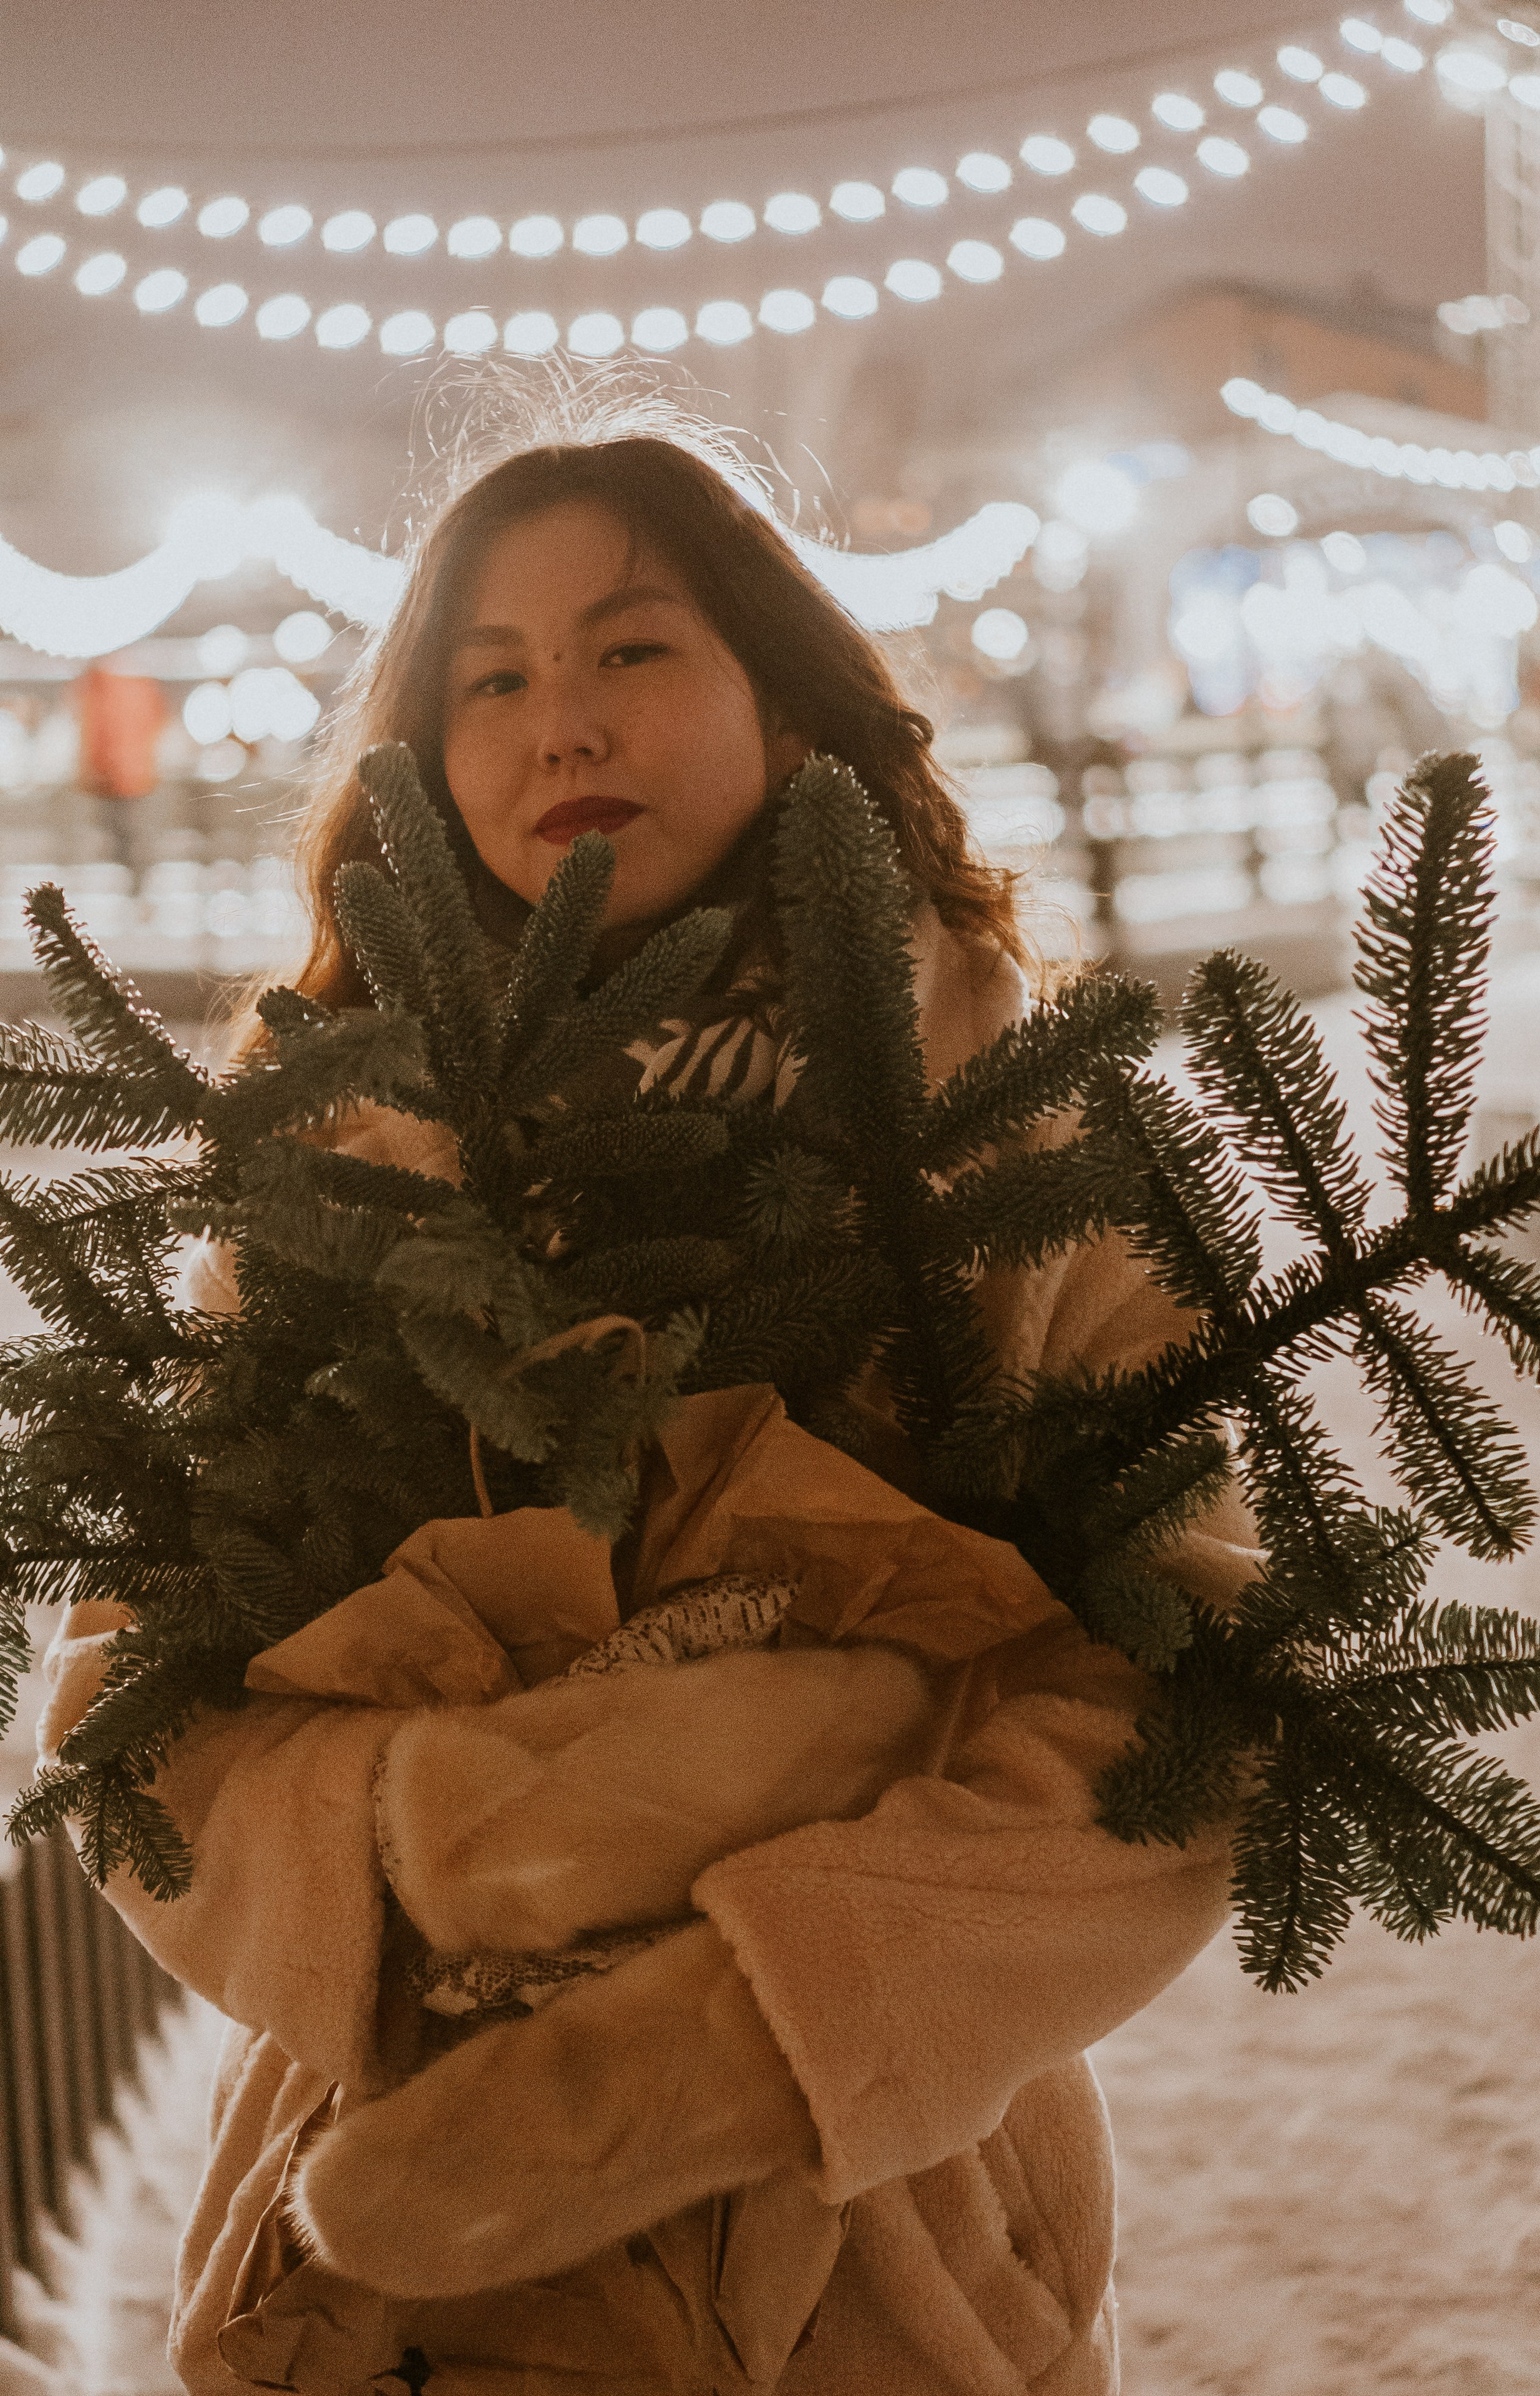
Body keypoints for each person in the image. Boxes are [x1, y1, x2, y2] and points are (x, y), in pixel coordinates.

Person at [38, 417, 1262, 2396]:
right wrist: (446, 1838)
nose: (560, 723)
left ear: (784, 702)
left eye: (633, 650)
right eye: (492, 677)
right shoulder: (332, 1139)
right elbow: (131, 1703)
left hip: (884, 2236)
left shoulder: (1011, 1135)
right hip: (389, 2234)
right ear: (425, 757)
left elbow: (1192, 1701)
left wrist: (740, 2034)